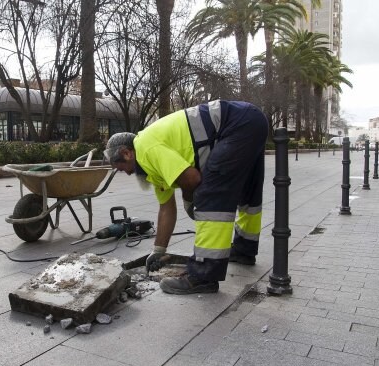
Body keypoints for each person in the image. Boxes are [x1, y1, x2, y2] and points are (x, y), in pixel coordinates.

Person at [104, 100, 268, 295]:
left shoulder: (146, 147)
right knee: (248, 193)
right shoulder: (150, 168)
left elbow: (192, 179)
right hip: (248, 121)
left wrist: (190, 202)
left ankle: (204, 275)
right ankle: (244, 250)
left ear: (127, 153)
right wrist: (158, 250)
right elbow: (166, 208)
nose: (124, 173)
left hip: (237, 124)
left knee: (209, 194)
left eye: (120, 167)